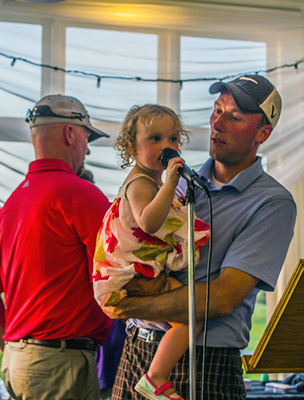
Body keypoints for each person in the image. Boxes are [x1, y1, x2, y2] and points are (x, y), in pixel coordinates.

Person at [103, 75, 297, 400]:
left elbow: (222, 298)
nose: (217, 123)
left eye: (234, 117)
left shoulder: (272, 203)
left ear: (262, 133)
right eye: (217, 110)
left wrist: (131, 306)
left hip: (205, 361)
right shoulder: (178, 181)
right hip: (136, 349)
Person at [0, 94, 112, 400]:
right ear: (70, 133)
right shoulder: (81, 195)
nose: (87, 150)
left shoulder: (8, 207)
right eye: (87, 138)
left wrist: (18, 350)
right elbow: (116, 274)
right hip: (61, 364)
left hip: (16, 361)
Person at [93, 104, 210, 400]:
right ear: (131, 148)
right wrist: (170, 184)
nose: (166, 146)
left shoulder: (152, 182)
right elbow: (148, 222)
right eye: (155, 139)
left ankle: (157, 375)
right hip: (130, 275)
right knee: (191, 317)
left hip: (136, 273)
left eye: (173, 139)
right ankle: (156, 376)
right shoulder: (140, 184)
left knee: (186, 317)